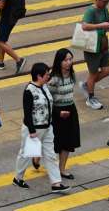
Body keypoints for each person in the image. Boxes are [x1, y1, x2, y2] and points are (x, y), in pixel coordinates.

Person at [13, 62, 70, 193]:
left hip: (47, 128)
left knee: (50, 155)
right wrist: (32, 132)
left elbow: (49, 105)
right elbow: (27, 113)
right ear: (39, 76)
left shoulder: (44, 87)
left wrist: (59, 113)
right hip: (34, 130)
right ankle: (18, 178)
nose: (48, 77)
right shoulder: (29, 91)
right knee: (25, 155)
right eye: (46, 75)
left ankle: (56, 183)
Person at [78, 0, 109, 110]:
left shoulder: (105, 10)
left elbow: (106, 25)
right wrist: (101, 25)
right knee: (93, 74)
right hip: (92, 46)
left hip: (103, 45)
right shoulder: (91, 11)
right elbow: (84, 26)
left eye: (107, 1)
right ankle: (90, 97)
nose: (106, 4)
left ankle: (88, 85)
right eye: (104, 1)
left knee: (106, 71)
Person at [47, 49, 81, 180]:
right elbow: (48, 99)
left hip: (70, 110)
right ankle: (37, 158)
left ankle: (62, 169)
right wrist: (58, 112)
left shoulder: (72, 75)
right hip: (56, 113)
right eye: (65, 60)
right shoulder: (53, 78)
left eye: (70, 59)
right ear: (59, 61)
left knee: (68, 142)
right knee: (53, 142)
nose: (69, 63)